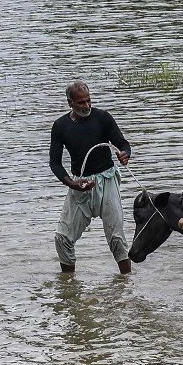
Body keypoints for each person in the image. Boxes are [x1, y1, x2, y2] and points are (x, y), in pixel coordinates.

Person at [49, 81, 133, 274]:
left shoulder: (102, 118)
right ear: (70, 103)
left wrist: (124, 154)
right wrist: (72, 183)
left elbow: (122, 143)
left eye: (89, 101)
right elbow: (55, 163)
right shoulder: (60, 126)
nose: (86, 106)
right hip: (80, 183)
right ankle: (68, 283)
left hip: (107, 180)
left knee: (117, 239)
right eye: (81, 103)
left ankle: (126, 284)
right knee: (63, 238)